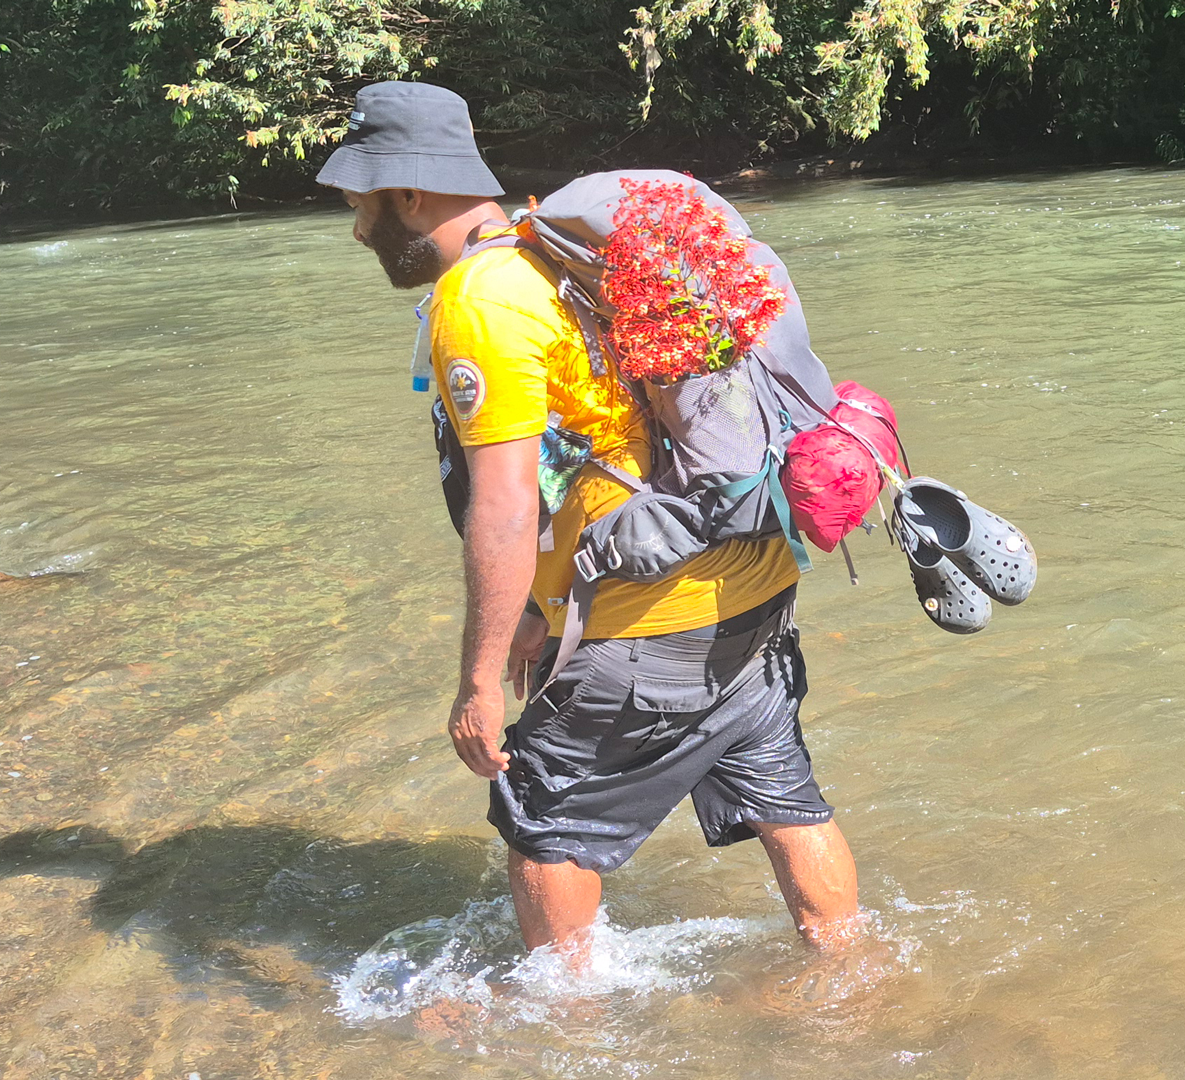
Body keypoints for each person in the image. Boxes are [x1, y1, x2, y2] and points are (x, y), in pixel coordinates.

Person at [318, 81, 861, 957]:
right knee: (782, 797)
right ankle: (853, 977)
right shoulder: (560, 252)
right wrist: (537, 611)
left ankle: (561, 1021)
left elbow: (504, 504)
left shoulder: (481, 300)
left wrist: (479, 683)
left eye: (359, 204)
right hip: (754, 579)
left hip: (650, 620)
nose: (355, 230)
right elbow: (605, 437)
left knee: (544, 823)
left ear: (406, 194)